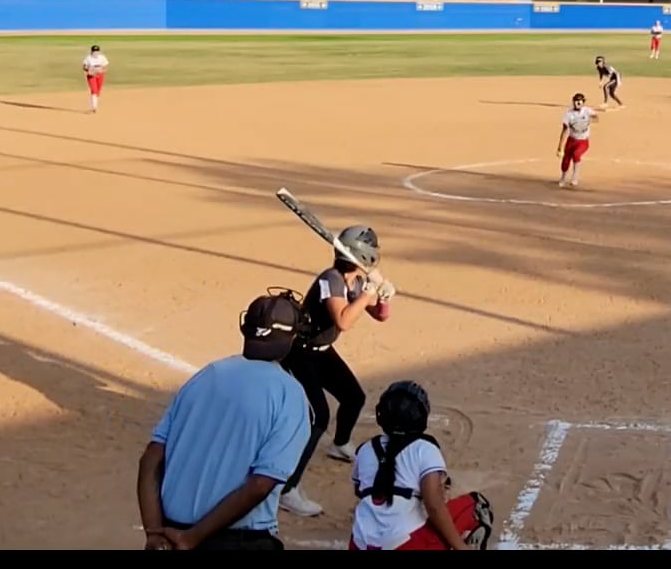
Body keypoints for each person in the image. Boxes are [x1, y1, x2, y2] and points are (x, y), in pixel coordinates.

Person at [136, 291, 310, 550]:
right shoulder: (290, 394)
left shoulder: (206, 375)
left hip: (169, 533)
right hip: (234, 540)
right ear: (292, 338)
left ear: (245, 329)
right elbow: (260, 484)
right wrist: (191, 539)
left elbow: (151, 458)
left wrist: (153, 532)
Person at [278, 225, 395, 518]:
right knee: (318, 416)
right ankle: (287, 490)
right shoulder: (330, 280)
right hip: (300, 353)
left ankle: (340, 444)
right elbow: (343, 320)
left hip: (321, 351)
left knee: (353, 397)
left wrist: (384, 296)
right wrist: (368, 294)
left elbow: (380, 315)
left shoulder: (355, 280)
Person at [348, 381, 495, 550]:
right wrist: (460, 547)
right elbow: (434, 505)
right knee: (477, 506)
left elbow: (359, 491)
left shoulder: (364, 449)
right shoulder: (425, 448)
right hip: (407, 545)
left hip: (358, 545)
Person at [556, 91, 599, 188]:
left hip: (583, 141)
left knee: (576, 155)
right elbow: (564, 130)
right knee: (566, 160)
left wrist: (590, 120)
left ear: (583, 102)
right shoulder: (568, 114)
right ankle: (563, 177)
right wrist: (560, 147)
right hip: (571, 140)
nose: (577, 103)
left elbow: (596, 118)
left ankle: (575, 176)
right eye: (575, 101)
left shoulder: (587, 111)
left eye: (579, 101)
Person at [83, 44, 109, 113]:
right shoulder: (88, 58)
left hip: (100, 75)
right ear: (91, 51)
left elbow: (105, 66)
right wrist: (89, 70)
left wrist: (102, 70)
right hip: (91, 76)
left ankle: (94, 104)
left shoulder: (102, 57)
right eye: (94, 51)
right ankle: (94, 107)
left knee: (98, 91)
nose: (96, 52)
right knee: (94, 90)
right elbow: (84, 66)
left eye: (97, 51)